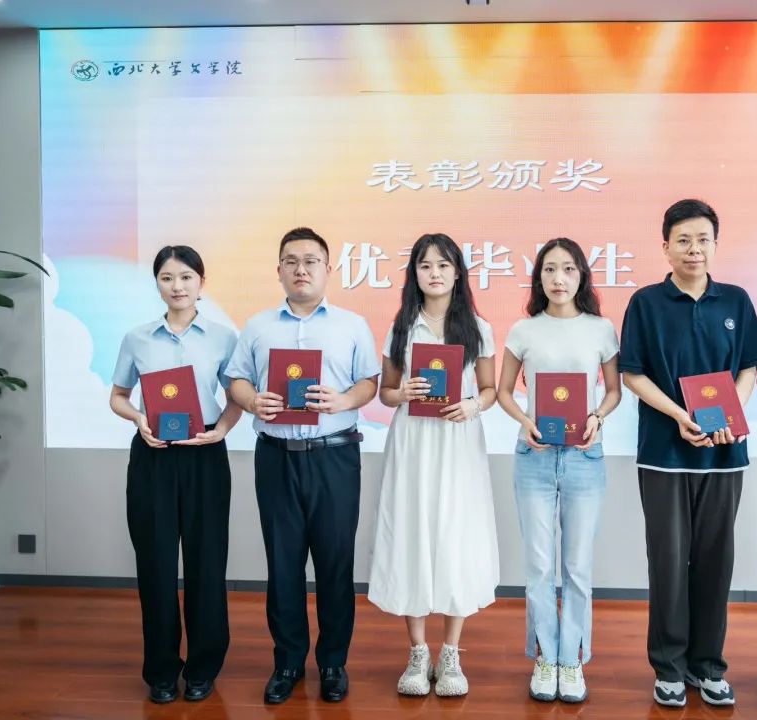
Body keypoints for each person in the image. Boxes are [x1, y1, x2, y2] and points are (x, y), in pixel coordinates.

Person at [619, 199, 757, 708]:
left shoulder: (736, 301)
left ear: (715, 245)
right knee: (667, 561)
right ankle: (668, 667)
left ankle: (708, 666)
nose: (693, 249)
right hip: (663, 452)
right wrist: (680, 417)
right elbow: (633, 373)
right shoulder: (646, 303)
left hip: (725, 454)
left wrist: (729, 414)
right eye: (683, 240)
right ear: (666, 247)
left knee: (715, 560)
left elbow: (749, 367)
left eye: (703, 239)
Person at [225, 227, 379, 704]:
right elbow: (236, 380)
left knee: (335, 563)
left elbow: (370, 383)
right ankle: (288, 662)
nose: (301, 269)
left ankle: (333, 663)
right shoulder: (257, 327)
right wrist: (253, 401)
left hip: (334, 455)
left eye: (311, 261)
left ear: (328, 270)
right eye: (291, 261)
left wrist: (343, 400)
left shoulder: (352, 325)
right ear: (279, 271)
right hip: (276, 458)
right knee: (283, 564)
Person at [368, 233, 499, 698]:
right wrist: (401, 393)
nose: (435, 273)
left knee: (454, 536)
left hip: (457, 440)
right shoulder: (402, 327)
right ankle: (418, 651)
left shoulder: (477, 328)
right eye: (425, 266)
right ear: (415, 274)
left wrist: (472, 406)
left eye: (443, 265)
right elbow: (386, 392)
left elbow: (489, 390)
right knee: (413, 533)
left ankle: (451, 653)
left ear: (457, 272)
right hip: (413, 441)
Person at [109, 245, 242, 704]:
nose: (177, 286)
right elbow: (118, 396)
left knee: (207, 563)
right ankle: (162, 672)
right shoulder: (138, 338)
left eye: (186, 277)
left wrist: (221, 430)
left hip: (204, 455)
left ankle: (203, 668)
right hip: (153, 456)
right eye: (167, 278)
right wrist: (138, 419)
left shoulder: (223, 338)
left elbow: (237, 397)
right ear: (158, 284)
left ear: (201, 282)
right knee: (156, 564)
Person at [496, 238, 621, 704]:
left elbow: (613, 391)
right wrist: (526, 421)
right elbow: (504, 391)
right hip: (534, 455)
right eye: (549, 269)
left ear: (582, 275)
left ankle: (572, 659)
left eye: (568, 269)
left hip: (585, 457)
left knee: (577, 566)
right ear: (539, 278)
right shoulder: (524, 330)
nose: (559, 278)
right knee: (538, 565)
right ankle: (545, 657)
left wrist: (597, 417)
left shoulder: (601, 329)